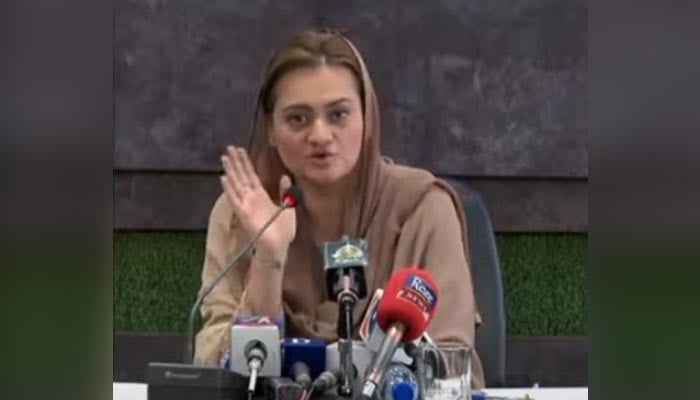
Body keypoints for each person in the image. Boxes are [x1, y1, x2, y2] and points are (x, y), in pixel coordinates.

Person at [194, 28, 485, 388]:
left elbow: (449, 370)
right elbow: (214, 369)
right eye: (298, 118)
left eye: (338, 115)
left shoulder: (422, 209)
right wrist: (268, 259)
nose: (320, 135)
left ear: (367, 118)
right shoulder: (241, 212)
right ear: (270, 129)